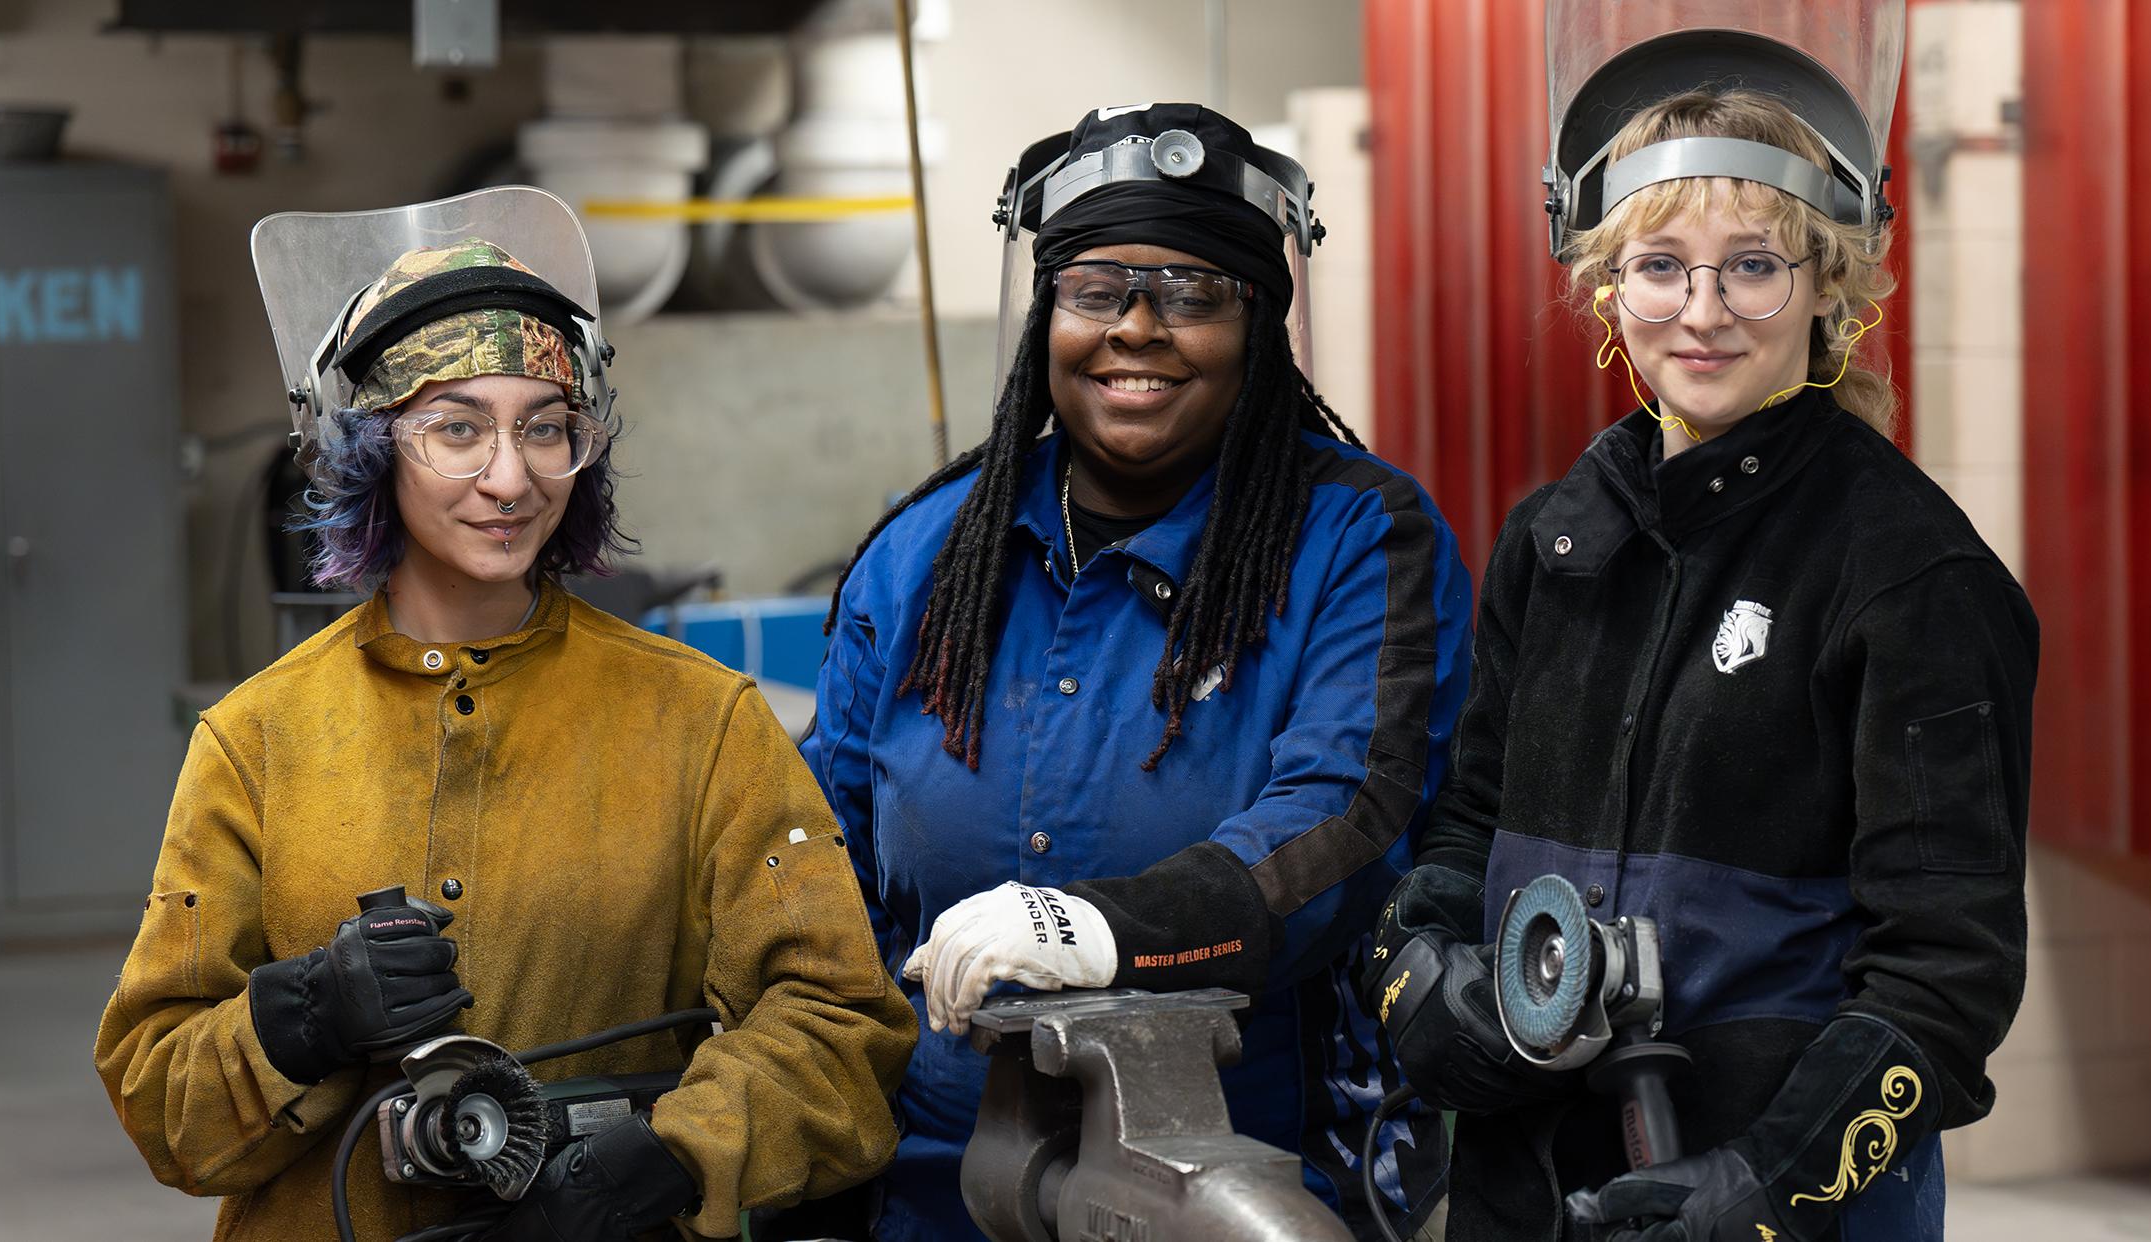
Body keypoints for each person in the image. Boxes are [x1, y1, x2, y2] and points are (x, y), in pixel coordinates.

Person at [94, 193, 918, 1241]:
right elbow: (163, 1109)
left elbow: (843, 1022)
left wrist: (669, 1157)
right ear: (371, 449)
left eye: (546, 429)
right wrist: (303, 1018)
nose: (510, 477)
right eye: (455, 428)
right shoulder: (260, 740)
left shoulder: (700, 722)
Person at [1367, 78, 2038, 1242]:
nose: (1703, 310)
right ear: (1607, 287)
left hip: (1779, 1189)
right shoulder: (1556, 537)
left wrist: (1771, 1183)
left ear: (1828, 283)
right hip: (1525, 1174)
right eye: (1662, 265)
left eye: (1753, 266)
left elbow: (1946, 969)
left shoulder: (1908, 574)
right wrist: (1424, 968)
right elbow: (1469, 820)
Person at [806, 104, 1471, 1240]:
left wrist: (1104, 930)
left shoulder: (1357, 535)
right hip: (933, 1186)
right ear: (1047, 313)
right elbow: (822, 850)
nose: (1139, 328)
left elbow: (1349, 815)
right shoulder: (925, 552)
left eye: (1195, 293)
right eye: (1098, 289)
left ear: (1259, 324)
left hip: (1241, 1180)